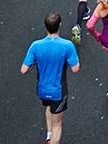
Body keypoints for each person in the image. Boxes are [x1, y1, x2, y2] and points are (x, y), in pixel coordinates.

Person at [20, 13, 80, 144]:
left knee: (48, 106)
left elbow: (24, 69)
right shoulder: (67, 45)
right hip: (58, 91)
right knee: (57, 125)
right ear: (60, 25)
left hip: (42, 90)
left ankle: (49, 136)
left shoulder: (35, 45)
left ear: (45, 26)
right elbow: (75, 69)